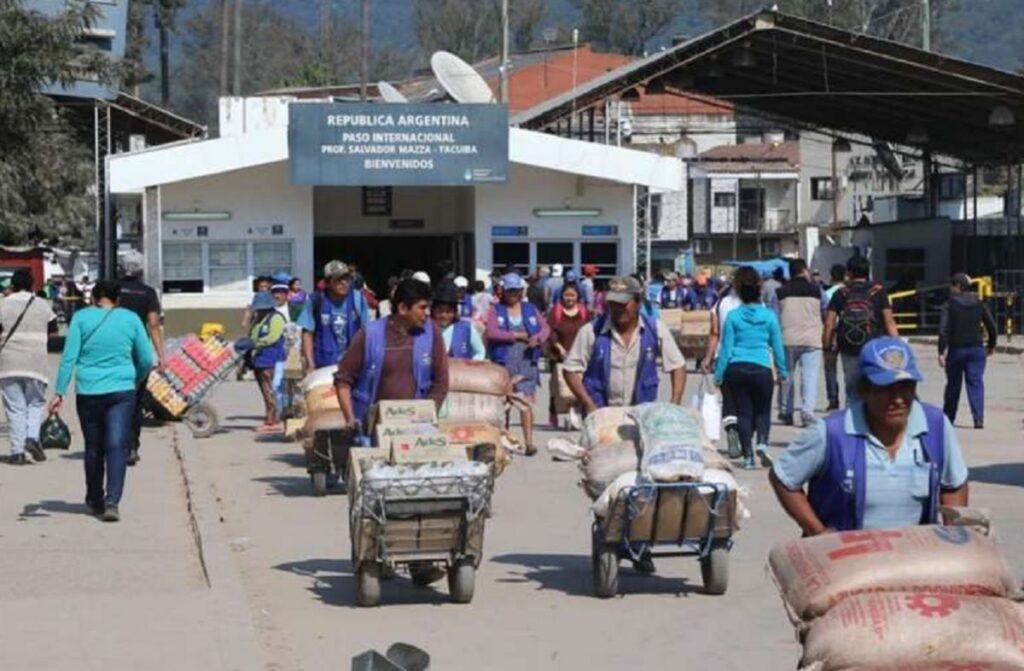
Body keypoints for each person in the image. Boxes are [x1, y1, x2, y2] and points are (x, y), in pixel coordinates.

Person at [769, 337, 968, 534]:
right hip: (848, 561)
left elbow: (953, 485)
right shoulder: (831, 433)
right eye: (887, 389)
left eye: (906, 387)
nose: (898, 399)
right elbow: (783, 477)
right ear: (864, 390)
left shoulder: (935, 426)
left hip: (913, 559)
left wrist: (953, 537)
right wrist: (817, 532)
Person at [51, 280, 155, 522]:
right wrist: (135, 379)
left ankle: (95, 498)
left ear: (93, 298)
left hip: (88, 390)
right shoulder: (130, 319)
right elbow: (146, 359)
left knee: (94, 446)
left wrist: (59, 392)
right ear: (117, 299)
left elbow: (69, 357)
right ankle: (112, 502)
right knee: (117, 445)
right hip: (122, 390)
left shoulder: (81, 318)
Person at [335, 278, 449, 435]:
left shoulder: (431, 332)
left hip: (416, 428)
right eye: (422, 307)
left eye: (428, 307)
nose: (428, 313)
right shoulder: (369, 335)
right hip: (371, 429)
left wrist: (429, 413)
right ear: (402, 308)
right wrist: (350, 418)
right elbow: (343, 379)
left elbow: (441, 379)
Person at [563, 275, 687, 413]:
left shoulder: (655, 329)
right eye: (613, 303)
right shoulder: (591, 331)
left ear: (638, 302)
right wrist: (588, 403)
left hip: (642, 414)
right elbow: (570, 370)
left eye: (623, 304)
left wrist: (675, 404)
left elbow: (678, 366)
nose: (618, 309)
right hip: (601, 413)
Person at [714, 266, 787, 470]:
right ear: (758, 292)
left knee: (744, 414)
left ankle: (747, 457)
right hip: (761, 368)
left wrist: (719, 374)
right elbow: (777, 345)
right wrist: (783, 371)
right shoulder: (769, 316)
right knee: (763, 411)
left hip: (737, 369)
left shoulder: (733, 316)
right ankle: (762, 443)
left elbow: (727, 347)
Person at [485, 272, 549, 454]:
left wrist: (538, 338)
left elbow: (545, 328)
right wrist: (516, 335)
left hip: (527, 360)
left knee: (525, 402)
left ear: (521, 291)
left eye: (516, 291)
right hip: (503, 361)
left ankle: (529, 442)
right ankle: (503, 440)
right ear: (503, 291)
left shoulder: (530, 309)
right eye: (510, 291)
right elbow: (491, 332)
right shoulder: (495, 310)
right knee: (503, 403)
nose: (513, 294)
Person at [823, 255, 898, 406]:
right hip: (874, 347)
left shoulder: (841, 293)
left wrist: (827, 350)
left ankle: (852, 424)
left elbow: (829, 325)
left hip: (849, 347)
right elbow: (889, 322)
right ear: (867, 272)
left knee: (851, 390)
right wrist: (897, 348)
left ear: (849, 273)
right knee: (874, 386)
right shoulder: (878, 291)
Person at [0, 269, 57, 465]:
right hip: (35, 362)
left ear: (12, 286)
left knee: (15, 408)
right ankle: (32, 437)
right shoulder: (42, 305)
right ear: (33, 285)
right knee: (35, 402)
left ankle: (17, 453)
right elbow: (54, 332)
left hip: (8, 362)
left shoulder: (3, 304)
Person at [117, 263, 166, 466]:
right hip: (138, 351)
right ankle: (132, 447)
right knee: (136, 400)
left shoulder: (113, 288)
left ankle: (116, 444)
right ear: (140, 272)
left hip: (116, 347)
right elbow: (153, 324)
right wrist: (161, 355)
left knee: (115, 398)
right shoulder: (148, 292)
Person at [939, 273, 997, 429]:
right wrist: (991, 346)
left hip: (957, 349)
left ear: (958, 285)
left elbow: (943, 331)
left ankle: (948, 418)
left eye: (952, 285)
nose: (950, 288)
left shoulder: (949, 305)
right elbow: (992, 327)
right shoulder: (980, 303)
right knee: (976, 383)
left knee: (953, 385)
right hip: (976, 349)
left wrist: (941, 351)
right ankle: (978, 419)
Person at [773, 258, 826, 428]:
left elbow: (774, 317)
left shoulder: (780, 292)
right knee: (809, 377)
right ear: (804, 271)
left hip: (787, 339)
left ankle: (786, 411)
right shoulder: (817, 291)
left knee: (787, 377)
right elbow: (826, 310)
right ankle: (807, 412)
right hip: (812, 339)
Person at [298, 261, 369, 374]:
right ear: (327, 283)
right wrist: (310, 364)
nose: (344, 283)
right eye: (338, 279)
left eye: (347, 278)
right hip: (324, 363)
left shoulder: (358, 299)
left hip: (352, 364)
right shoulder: (316, 300)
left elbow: (366, 331)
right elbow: (307, 333)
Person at [701, 271, 744, 458]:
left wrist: (707, 358)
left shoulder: (720, 304)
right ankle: (746, 439)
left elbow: (714, 333)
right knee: (747, 402)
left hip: (724, 358)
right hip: (750, 357)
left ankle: (731, 431)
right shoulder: (756, 305)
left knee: (729, 399)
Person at [547, 283, 589, 428]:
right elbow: (549, 332)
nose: (569, 298)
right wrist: (560, 348)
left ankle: (577, 413)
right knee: (557, 387)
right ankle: (553, 413)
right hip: (558, 355)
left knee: (579, 385)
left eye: (572, 295)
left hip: (579, 355)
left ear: (578, 296)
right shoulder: (556, 312)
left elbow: (590, 331)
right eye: (567, 295)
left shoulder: (584, 312)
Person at [247, 291, 287, 432]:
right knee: (265, 390)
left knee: (271, 389)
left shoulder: (276, 318)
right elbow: (251, 333)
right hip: (259, 358)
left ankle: (274, 420)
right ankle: (269, 418)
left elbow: (273, 337)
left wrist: (256, 343)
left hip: (272, 358)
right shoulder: (257, 319)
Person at [432, 281, 485, 360]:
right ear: (433, 311)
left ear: (455, 312)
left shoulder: (467, 328)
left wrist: (469, 366)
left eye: (448, 311)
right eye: (440, 311)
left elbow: (480, 352)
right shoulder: (427, 329)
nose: (444, 315)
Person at [822, 264, 847, 410]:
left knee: (830, 367)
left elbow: (827, 318)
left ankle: (833, 399)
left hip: (833, 331)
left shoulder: (827, 293)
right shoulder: (848, 292)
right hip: (849, 332)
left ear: (831, 276)